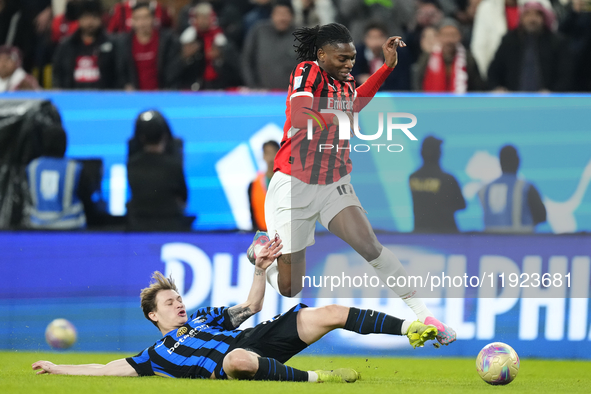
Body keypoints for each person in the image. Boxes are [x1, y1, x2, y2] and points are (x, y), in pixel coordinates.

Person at [247, 22, 457, 347]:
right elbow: (302, 115)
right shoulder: (308, 72)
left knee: (370, 245)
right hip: (293, 185)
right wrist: (341, 116)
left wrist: (386, 68)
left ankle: (423, 314)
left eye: (352, 58)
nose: (349, 65)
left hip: (334, 181)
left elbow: (356, 101)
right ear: (321, 55)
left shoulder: (345, 85)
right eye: (342, 58)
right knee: (291, 288)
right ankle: (259, 254)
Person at [32, 237, 439, 380]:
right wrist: (58, 367)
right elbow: (104, 370)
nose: (179, 305)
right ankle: (320, 378)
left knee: (328, 313)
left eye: (178, 299)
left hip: (250, 339)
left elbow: (251, 305)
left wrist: (260, 270)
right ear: (153, 316)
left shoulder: (207, 318)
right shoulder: (153, 357)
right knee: (237, 361)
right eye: (170, 303)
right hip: (235, 362)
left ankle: (412, 329)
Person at [487, 0, 571, 92]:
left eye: (537, 15)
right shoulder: (509, 41)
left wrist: (552, 93)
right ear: (522, 18)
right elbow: (493, 71)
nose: (532, 19)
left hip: (547, 101)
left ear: (543, 18)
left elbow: (565, 75)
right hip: (513, 99)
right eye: (528, 14)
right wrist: (497, 88)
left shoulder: (556, 42)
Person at [127, 110, 188, 231]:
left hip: (139, 226)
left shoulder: (132, 164)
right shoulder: (174, 165)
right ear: (165, 136)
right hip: (170, 225)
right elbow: (183, 198)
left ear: (141, 138)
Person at [24, 125, 86, 229]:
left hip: (37, 227)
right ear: (64, 144)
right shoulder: (75, 168)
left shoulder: (32, 167)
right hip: (71, 228)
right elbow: (86, 198)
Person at [479, 145, 546, 233]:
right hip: (521, 241)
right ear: (518, 161)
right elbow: (542, 216)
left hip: (491, 242)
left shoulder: (484, 189)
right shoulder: (526, 188)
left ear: (500, 162)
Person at [52, 0, 118, 90]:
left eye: (94, 17)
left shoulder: (112, 44)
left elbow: (119, 74)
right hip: (72, 98)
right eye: (86, 17)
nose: (90, 22)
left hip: (104, 98)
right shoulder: (66, 45)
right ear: (79, 19)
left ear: (100, 18)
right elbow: (57, 73)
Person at [116, 2, 181, 91]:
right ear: (132, 21)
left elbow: (173, 69)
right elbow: (121, 70)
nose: (142, 23)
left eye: (146, 17)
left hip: (161, 94)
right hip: (135, 96)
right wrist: (126, 85)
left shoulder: (167, 41)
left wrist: (168, 88)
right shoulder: (124, 43)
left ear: (153, 18)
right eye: (137, 18)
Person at [409, 136, 466, 233]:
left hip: (420, 233)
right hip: (446, 234)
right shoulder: (448, 179)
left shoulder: (413, 178)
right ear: (438, 153)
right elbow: (461, 205)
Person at [414, 18, 484, 93]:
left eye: (453, 35)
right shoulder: (427, 58)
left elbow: (477, 87)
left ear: (460, 36)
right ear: (438, 36)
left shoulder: (469, 59)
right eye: (445, 35)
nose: (449, 40)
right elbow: (417, 83)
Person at [241, 0, 298, 90]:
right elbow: (246, 60)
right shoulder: (259, 31)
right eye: (278, 14)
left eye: (285, 14)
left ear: (292, 16)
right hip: (262, 94)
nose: (282, 18)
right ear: (272, 15)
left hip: (292, 93)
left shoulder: (301, 35)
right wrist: (253, 86)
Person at [352, 22, 411, 91]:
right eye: (372, 37)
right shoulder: (354, 55)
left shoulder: (398, 55)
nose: (376, 41)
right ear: (365, 39)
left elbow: (403, 83)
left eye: (380, 37)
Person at [249, 141, 280, 231]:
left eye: (273, 153)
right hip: (263, 237)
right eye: (267, 153)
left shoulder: (289, 182)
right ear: (263, 156)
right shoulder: (254, 184)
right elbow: (252, 215)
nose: (270, 158)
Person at [107, 0, 172, 34]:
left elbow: (168, 31)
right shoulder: (121, 9)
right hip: (126, 51)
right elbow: (110, 33)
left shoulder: (161, 10)